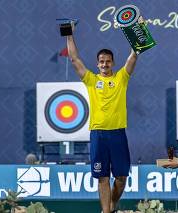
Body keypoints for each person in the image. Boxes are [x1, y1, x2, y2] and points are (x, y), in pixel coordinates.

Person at [66, 24, 137, 213]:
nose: (105, 65)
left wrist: (136, 31)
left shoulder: (122, 78)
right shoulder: (91, 80)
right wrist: (69, 33)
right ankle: (107, 212)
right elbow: (74, 59)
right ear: (97, 64)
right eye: (101, 62)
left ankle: (112, 205)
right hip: (98, 135)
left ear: (113, 63)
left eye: (108, 61)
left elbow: (134, 56)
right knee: (102, 177)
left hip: (118, 134)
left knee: (121, 179)